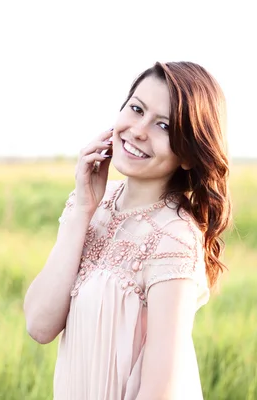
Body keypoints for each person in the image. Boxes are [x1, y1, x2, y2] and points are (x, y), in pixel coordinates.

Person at [23, 61, 232, 399]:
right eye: (136, 109)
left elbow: (159, 393)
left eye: (163, 125)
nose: (138, 130)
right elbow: (39, 325)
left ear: (189, 154)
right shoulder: (91, 204)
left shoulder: (174, 239)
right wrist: (82, 210)